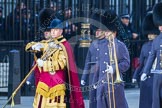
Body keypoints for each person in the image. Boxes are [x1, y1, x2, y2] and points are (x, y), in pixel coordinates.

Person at [26, 16, 84, 108]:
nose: (52, 31)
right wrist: (33, 47)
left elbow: (62, 63)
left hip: (56, 82)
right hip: (44, 81)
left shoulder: (64, 46)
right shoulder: (47, 43)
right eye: (52, 29)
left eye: (56, 30)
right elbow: (30, 46)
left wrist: (44, 64)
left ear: (61, 31)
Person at [81, 10, 130, 108]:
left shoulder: (120, 45)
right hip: (101, 82)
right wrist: (85, 78)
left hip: (114, 83)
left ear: (114, 32)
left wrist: (114, 68)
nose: (106, 34)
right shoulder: (101, 45)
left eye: (108, 32)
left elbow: (126, 63)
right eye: (106, 32)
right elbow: (90, 62)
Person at [132, 12, 159, 108]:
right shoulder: (145, 46)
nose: (149, 35)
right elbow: (141, 63)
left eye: (151, 33)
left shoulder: (158, 44)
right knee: (145, 102)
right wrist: (135, 75)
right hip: (146, 78)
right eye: (149, 33)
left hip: (156, 76)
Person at [140, 2, 162, 108]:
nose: (160, 28)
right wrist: (145, 71)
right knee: (156, 100)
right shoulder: (156, 41)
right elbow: (151, 57)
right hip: (158, 74)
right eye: (159, 25)